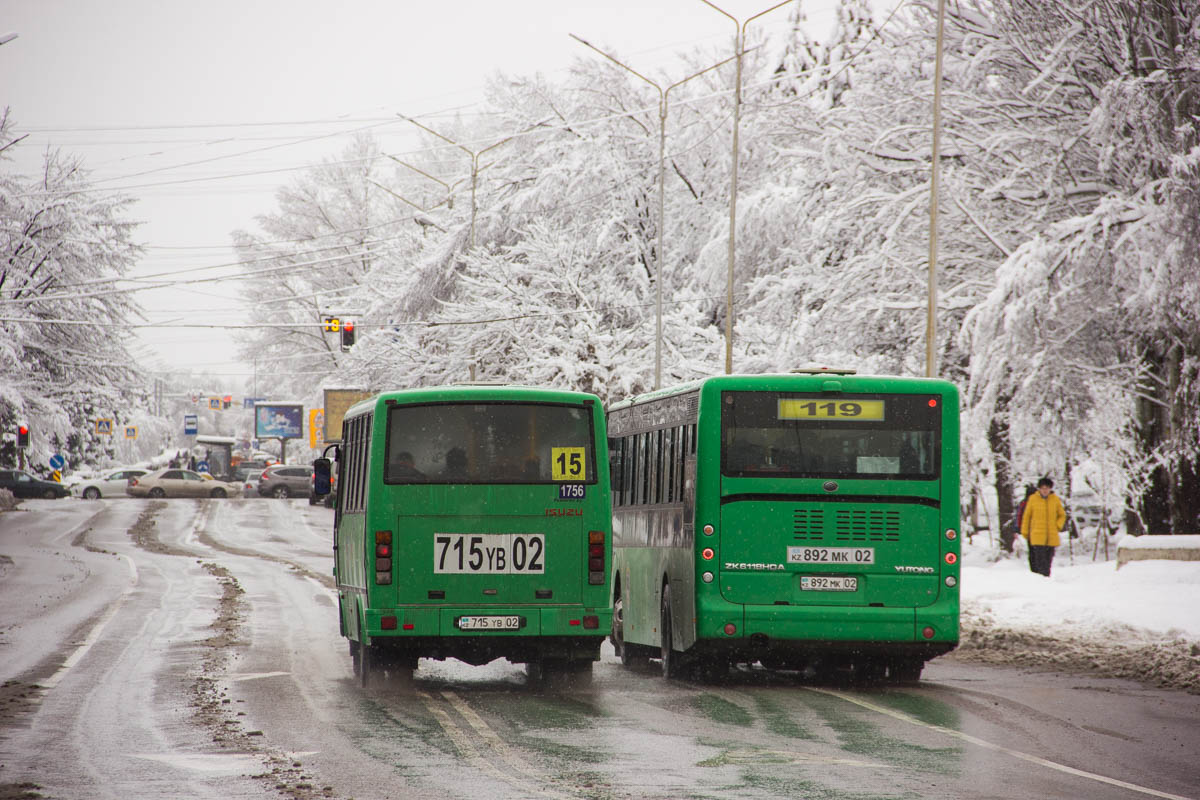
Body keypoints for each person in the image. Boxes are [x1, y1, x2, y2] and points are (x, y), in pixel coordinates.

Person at [1021, 477, 1066, 576]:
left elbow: (1062, 515)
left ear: (1050, 489)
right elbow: (1027, 517)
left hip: (1051, 535)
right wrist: (1025, 531)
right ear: (1039, 489)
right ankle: (1041, 581)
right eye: (1043, 488)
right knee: (1039, 561)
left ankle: (1046, 581)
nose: (1045, 490)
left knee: (1048, 561)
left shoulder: (1055, 499)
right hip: (1037, 535)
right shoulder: (1033, 499)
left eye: (1047, 488)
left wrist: (1057, 526)